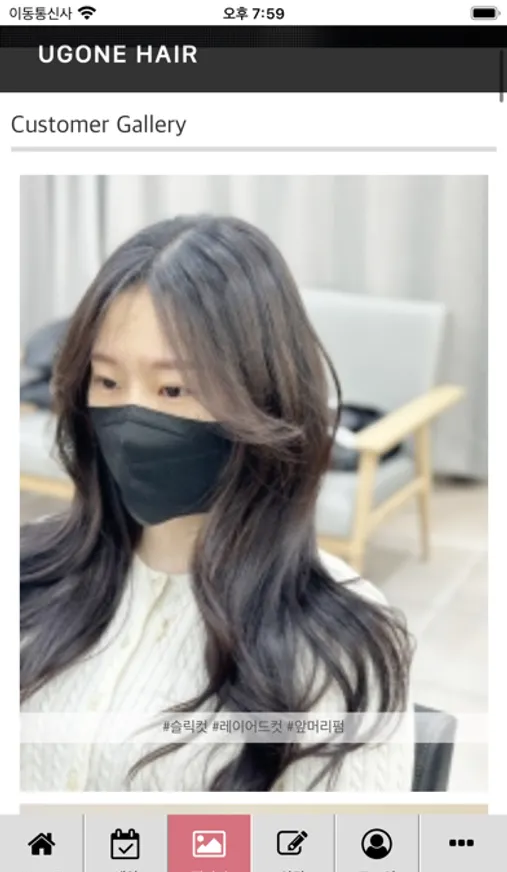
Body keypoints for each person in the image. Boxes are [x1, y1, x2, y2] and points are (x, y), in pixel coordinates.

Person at [20, 214, 414, 792]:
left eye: (173, 389)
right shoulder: (28, 570)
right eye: (106, 382)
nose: (132, 419)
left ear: (261, 398)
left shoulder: (340, 648)